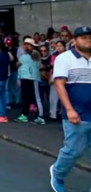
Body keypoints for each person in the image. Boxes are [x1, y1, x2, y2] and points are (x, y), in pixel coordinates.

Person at [50, 26, 91, 192]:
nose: (88, 40)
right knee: (73, 151)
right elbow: (59, 84)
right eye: (84, 37)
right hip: (77, 114)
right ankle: (58, 172)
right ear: (75, 40)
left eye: (90, 37)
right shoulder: (64, 58)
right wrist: (69, 109)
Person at [16, 38, 45, 125]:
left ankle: (41, 117)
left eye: (28, 44)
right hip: (24, 78)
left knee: (37, 97)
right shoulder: (23, 56)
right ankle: (24, 115)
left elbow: (35, 55)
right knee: (25, 98)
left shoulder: (35, 53)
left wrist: (31, 48)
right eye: (25, 44)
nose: (25, 46)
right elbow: (18, 64)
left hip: (33, 78)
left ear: (32, 46)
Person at [49, 41, 67, 121]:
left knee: (64, 96)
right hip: (56, 76)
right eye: (57, 46)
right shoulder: (54, 56)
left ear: (64, 47)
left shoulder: (68, 56)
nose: (59, 48)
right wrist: (51, 76)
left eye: (61, 46)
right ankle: (53, 114)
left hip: (65, 77)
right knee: (53, 97)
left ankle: (64, 113)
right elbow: (53, 67)